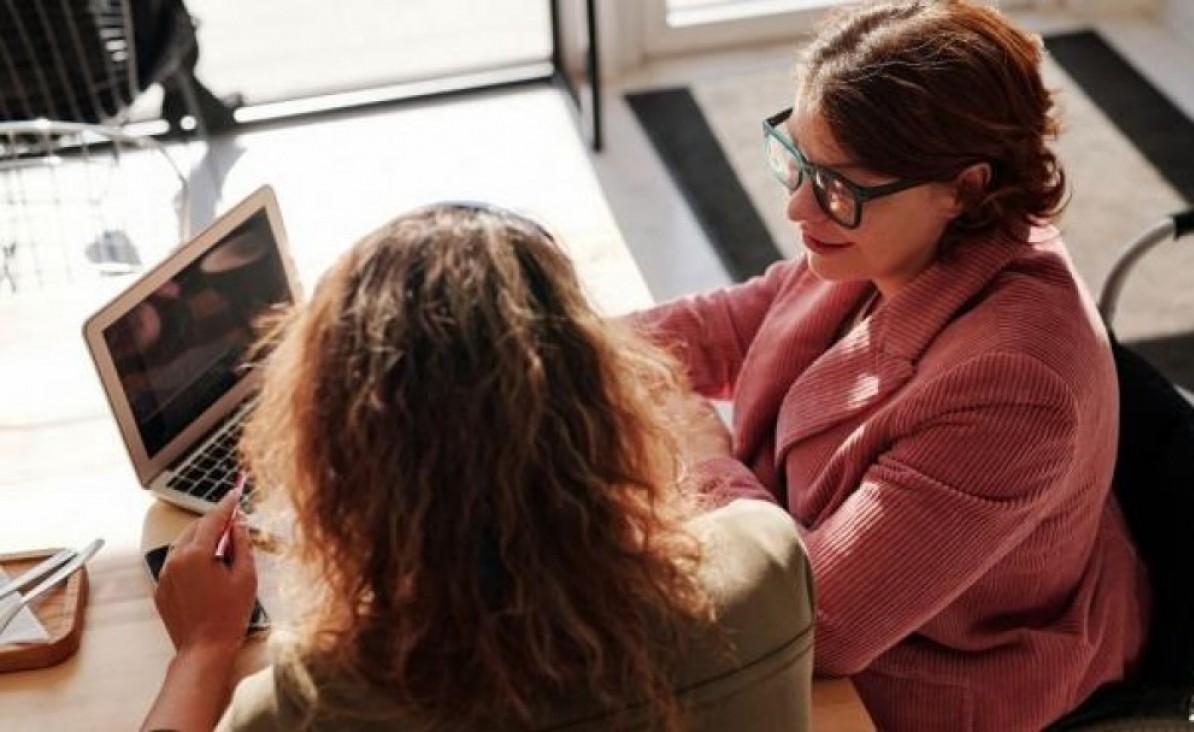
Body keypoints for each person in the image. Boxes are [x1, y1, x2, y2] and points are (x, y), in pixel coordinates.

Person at [628, 1, 1151, 729]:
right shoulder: (876, 231)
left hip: (925, 679)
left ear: (964, 188)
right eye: (796, 160)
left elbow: (819, 627)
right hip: (813, 588)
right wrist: (545, 348)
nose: (798, 209)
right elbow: (722, 328)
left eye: (836, 186)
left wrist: (699, 452)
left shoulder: (1015, 385)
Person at [139, 203, 816, 731]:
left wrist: (201, 651)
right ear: (608, 399)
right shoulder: (767, 565)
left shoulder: (311, 704)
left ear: (341, 460)